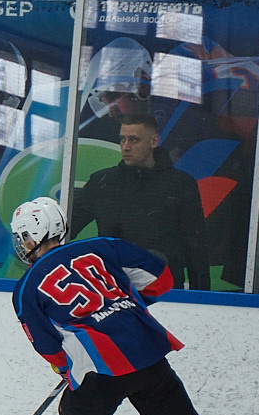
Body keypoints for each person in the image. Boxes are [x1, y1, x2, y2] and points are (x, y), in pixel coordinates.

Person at [7, 196, 259, 415]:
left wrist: (64, 367)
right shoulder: (104, 246)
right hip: (148, 352)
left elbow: (47, 346)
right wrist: (123, 308)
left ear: (40, 233)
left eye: (25, 236)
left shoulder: (26, 288)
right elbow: (162, 279)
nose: (22, 244)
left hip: (100, 371)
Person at [72, 115, 209, 289]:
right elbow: (68, 227)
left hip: (165, 292)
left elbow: (195, 248)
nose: (126, 147)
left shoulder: (180, 184)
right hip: (112, 291)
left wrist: (200, 297)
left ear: (154, 141)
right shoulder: (103, 182)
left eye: (134, 140)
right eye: (122, 139)